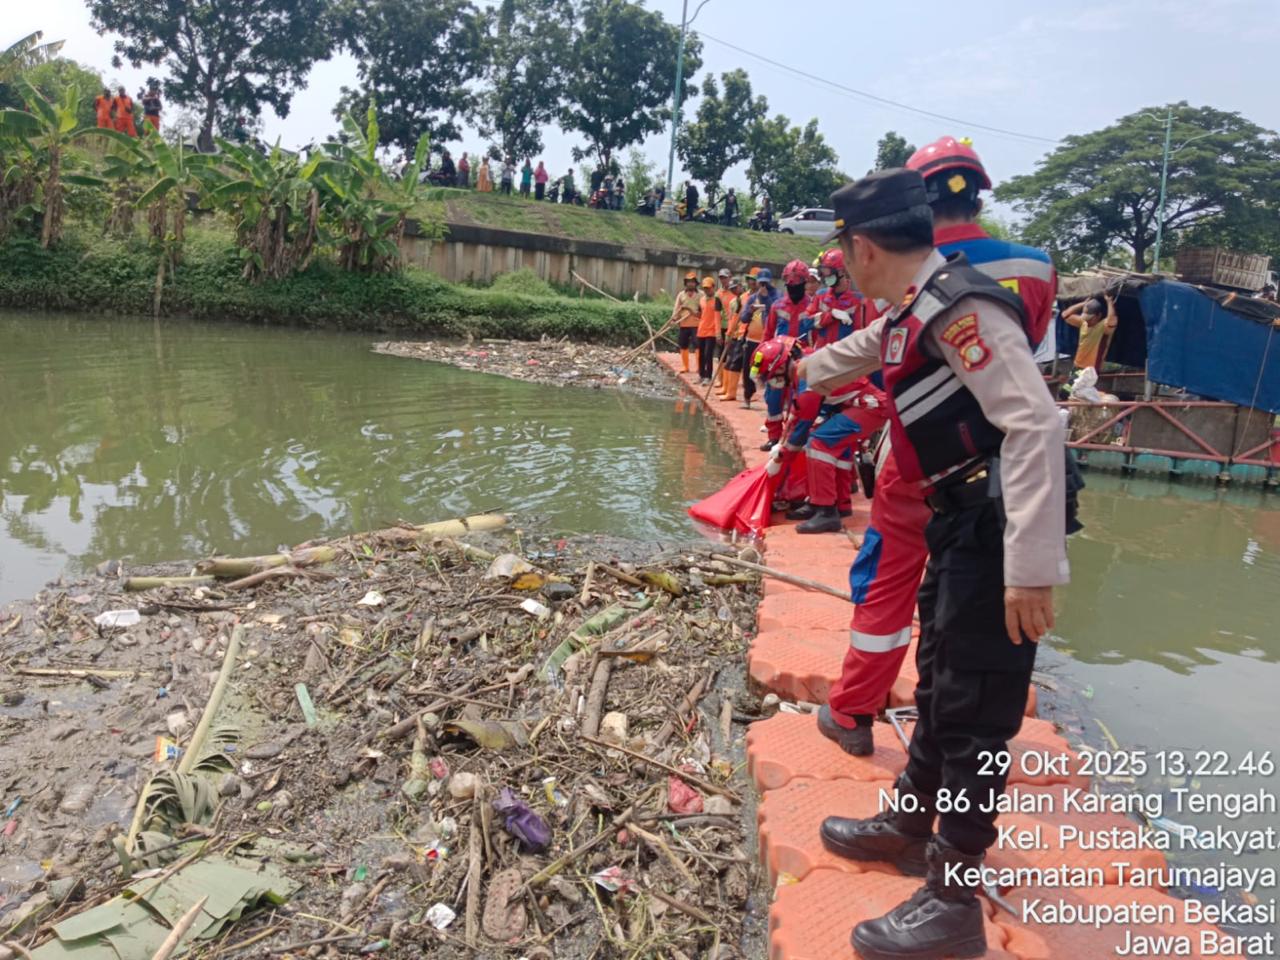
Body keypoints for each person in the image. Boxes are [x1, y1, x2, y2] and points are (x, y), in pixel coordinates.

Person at [802, 168, 1068, 959]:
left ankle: (953, 899)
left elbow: (1036, 425)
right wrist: (801, 368)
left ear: (863, 247)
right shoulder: (917, 306)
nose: (845, 265)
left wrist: (1030, 567)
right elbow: (862, 352)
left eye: (845, 251)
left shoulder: (963, 309)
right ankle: (913, 820)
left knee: (977, 706)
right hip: (959, 519)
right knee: (944, 682)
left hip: (1000, 529)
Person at [821, 135, 1061, 758]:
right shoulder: (1035, 267)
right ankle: (941, 741)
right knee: (961, 609)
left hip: (919, 457)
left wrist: (813, 370)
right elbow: (1028, 366)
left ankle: (855, 710)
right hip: (1001, 472)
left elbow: (885, 343)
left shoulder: (920, 271)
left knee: (888, 583)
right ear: (977, 194)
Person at [760, 260, 810, 449]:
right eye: (790, 285)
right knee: (773, 398)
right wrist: (761, 361)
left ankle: (792, 439)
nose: (793, 288)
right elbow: (767, 334)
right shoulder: (777, 306)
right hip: (778, 361)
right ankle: (774, 436)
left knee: (799, 401)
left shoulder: (812, 306)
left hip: (802, 360)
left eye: (796, 285)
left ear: (804, 283)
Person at [1062, 294, 1116, 371]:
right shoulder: (1083, 323)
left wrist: (1109, 302)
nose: (1087, 321)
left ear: (1098, 316)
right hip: (1077, 364)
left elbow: (1112, 320)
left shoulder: (1103, 326)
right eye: (1086, 318)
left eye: (1090, 319)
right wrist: (1083, 304)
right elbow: (1065, 315)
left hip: (1091, 369)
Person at [671, 271, 702, 372]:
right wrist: (674, 319)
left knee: (697, 345)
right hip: (684, 323)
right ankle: (685, 366)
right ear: (686, 283)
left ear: (695, 283)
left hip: (696, 324)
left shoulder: (701, 294)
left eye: (692, 282)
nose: (690, 284)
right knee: (683, 345)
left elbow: (704, 309)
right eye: (688, 282)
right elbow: (676, 308)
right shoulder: (681, 295)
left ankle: (699, 367)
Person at [696, 276, 723, 383]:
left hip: (712, 331)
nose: (706, 290)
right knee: (701, 354)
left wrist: (718, 333)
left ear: (713, 287)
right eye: (705, 288)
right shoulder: (701, 300)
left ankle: (708, 376)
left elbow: (719, 317)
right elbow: (700, 314)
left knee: (708, 354)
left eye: (708, 288)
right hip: (701, 330)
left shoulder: (717, 300)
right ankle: (701, 375)